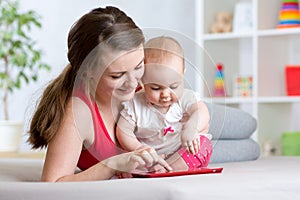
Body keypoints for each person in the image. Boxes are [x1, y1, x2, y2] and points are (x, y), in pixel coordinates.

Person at [28, 6, 172, 182]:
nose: (134, 83)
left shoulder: (144, 88)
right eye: (116, 75)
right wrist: (113, 165)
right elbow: (53, 182)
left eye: (139, 66)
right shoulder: (79, 112)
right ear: (87, 71)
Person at [116, 36, 213, 171]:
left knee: (203, 145)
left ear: (182, 74)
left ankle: (169, 168)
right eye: (156, 88)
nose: (165, 95)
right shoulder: (135, 104)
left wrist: (192, 128)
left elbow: (202, 112)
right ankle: (154, 169)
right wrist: (138, 148)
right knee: (127, 160)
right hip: (151, 156)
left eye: (173, 86)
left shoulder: (186, 97)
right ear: (142, 80)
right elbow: (123, 130)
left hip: (181, 152)